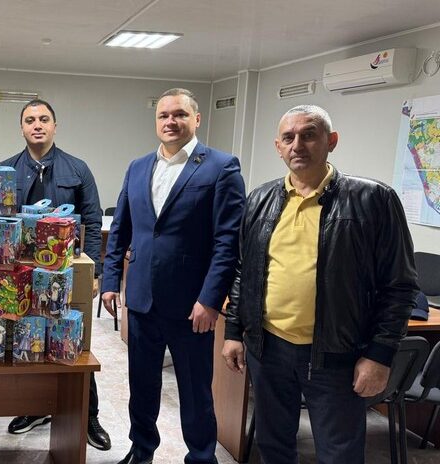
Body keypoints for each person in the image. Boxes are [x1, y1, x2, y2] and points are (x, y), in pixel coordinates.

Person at [221, 105, 418, 463]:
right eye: (288, 137)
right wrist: (234, 331)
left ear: (331, 141)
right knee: (273, 446)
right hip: (268, 350)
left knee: (339, 454)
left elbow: (400, 286)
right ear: (278, 147)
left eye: (309, 135)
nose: (297, 145)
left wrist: (380, 354)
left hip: (337, 355)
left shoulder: (373, 199)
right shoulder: (260, 199)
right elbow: (243, 271)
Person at [102, 88, 245, 464]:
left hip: (192, 307)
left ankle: (201, 456)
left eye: (180, 114)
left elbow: (228, 242)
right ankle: (141, 450)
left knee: (196, 392)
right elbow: (121, 229)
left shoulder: (221, 166)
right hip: (142, 300)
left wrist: (210, 300)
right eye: (164, 115)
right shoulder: (137, 167)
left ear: (196, 119)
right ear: (156, 122)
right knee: (142, 386)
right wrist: (111, 279)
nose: (171, 121)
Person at [0, 99, 112, 451]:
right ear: (21, 127)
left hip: (67, 273)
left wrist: (95, 274)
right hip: (21, 274)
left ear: (54, 126)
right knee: (28, 339)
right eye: (30, 119)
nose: (37, 125)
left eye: (44, 119)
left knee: (76, 343)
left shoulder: (78, 169)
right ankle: (35, 408)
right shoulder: (4, 170)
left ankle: (88, 415)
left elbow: (92, 222)